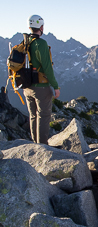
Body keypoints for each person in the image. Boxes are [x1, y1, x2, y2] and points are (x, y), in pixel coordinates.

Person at [23, 15, 60, 144]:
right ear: (41, 27)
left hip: (26, 86)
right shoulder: (41, 43)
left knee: (33, 115)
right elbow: (47, 67)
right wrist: (55, 86)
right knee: (43, 116)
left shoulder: (26, 43)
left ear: (29, 27)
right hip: (40, 87)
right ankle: (43, 146)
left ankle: (35, 143)